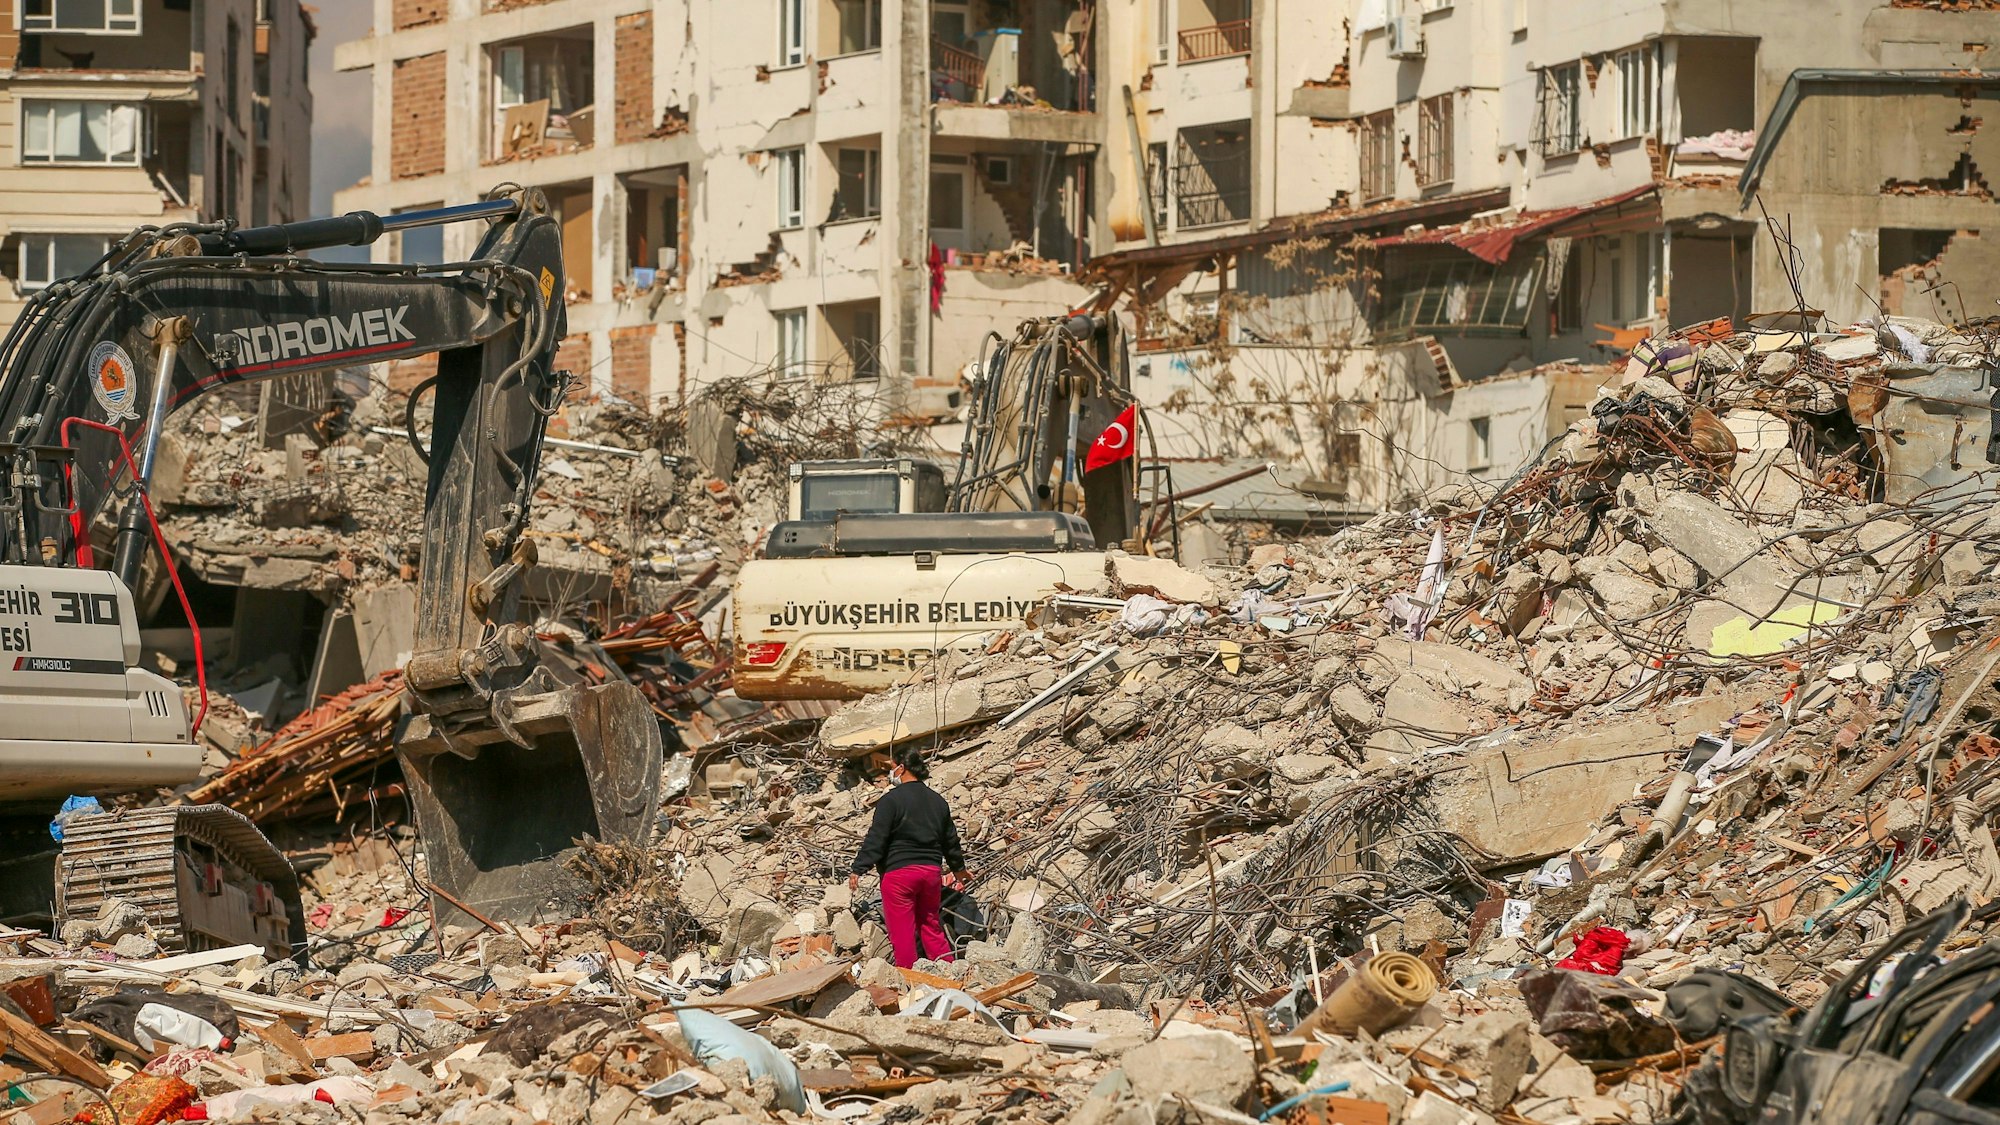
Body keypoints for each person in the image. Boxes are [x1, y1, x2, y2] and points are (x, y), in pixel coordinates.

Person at [848, 747, 969, 968]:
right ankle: (950, 971)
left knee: (902, 933)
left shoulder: (891, 800)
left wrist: (859, 868)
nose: (890, 773)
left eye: (892, 768)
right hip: (930, 874)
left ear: (902, 768)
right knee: (931, 925)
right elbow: (950, 840)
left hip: (899, 875)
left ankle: (908, 980)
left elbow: (877, 838)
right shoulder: (938, 802)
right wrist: (959, 869)